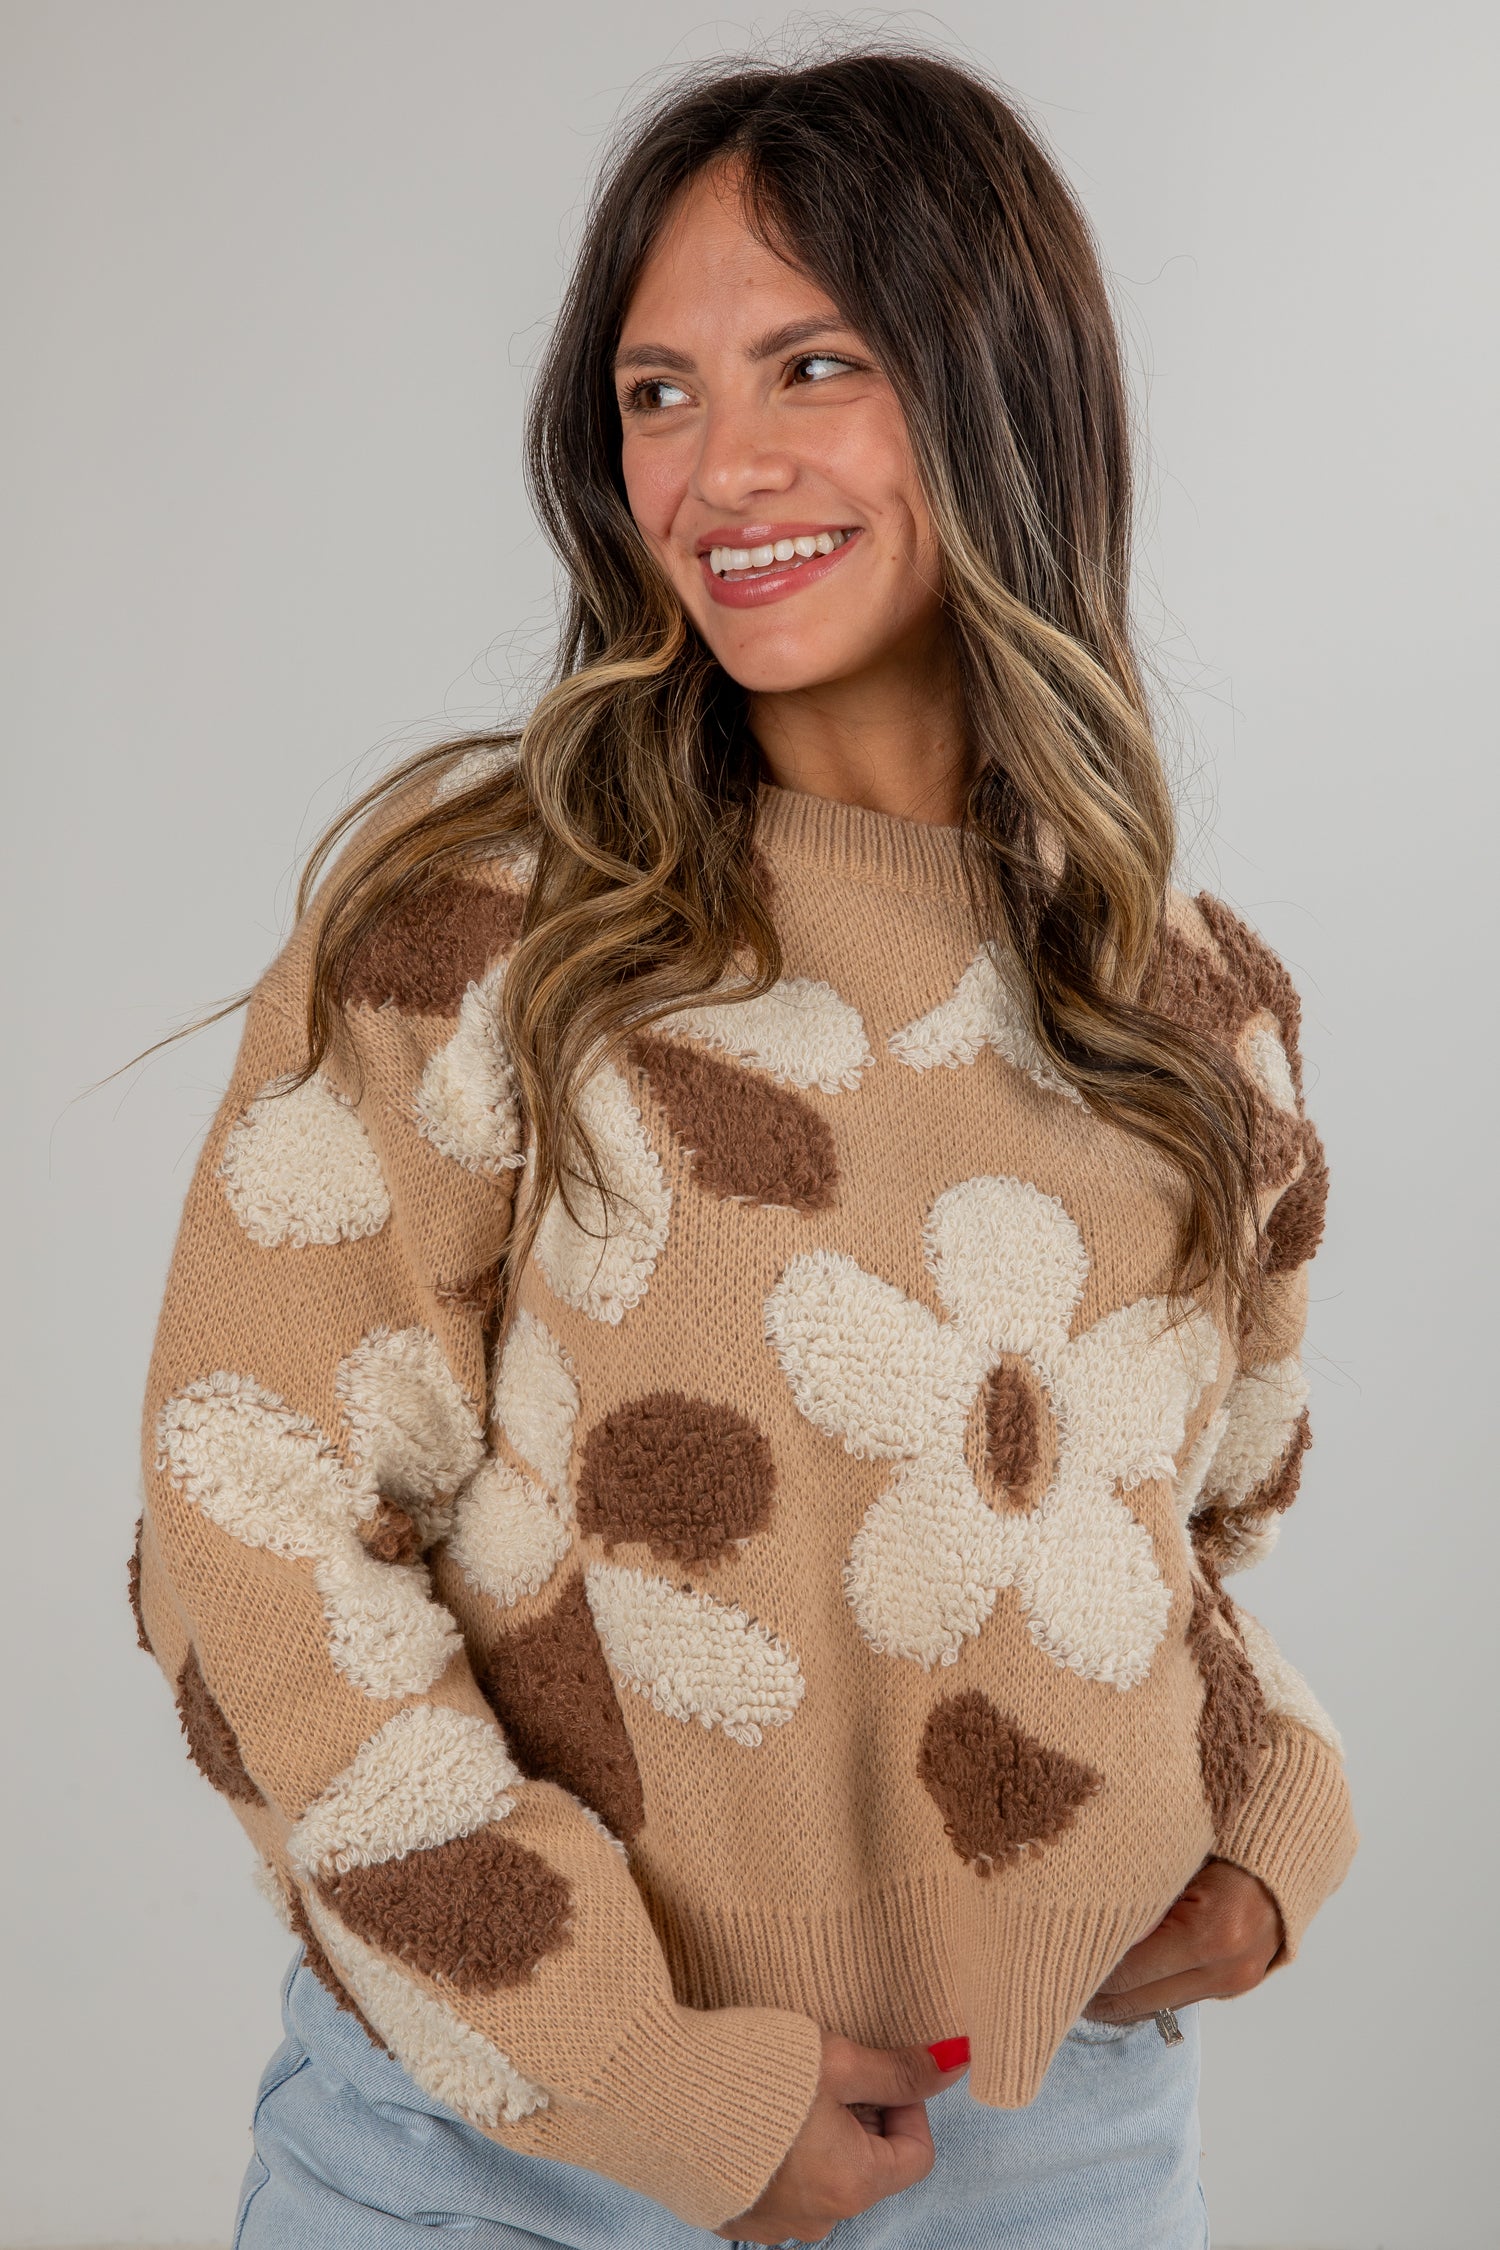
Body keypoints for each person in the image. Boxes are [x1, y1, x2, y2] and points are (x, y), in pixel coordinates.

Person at [132, 47, 1356, 2250]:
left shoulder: (1194, 1002)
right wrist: (631, 2075)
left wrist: (1271, 1823)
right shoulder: (484, 934)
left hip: (1053, 2147)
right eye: (658, 392)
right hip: (497, 2154)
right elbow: (253, 1533)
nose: (723, 465)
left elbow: (1196, 1524)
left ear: (1000, 394)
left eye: (813, 364)